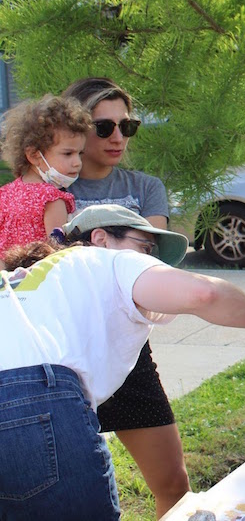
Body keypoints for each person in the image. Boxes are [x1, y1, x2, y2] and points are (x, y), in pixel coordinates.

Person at [0, 205, 245, 520]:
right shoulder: (103, 260)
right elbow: (204, 294)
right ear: (101, 238)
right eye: (145, 248)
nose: (152, 261)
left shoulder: (30, 279)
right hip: (31, 399)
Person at [61, 77, 185, 517]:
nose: (117, 137)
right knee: (80, 499)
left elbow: (148, 272)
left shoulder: (146, 187)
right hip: (61, 359)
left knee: (174, 484)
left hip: (128, 349)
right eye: (103, 127)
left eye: (126, 127)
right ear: (75, 127)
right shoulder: (49, 192)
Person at [0, 95, 92, 255]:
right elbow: (58, 254)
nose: (77, 162)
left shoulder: (4, 194)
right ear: (34, 155)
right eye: (68, 153)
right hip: (39, 277)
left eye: (80, 153)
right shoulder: (52, 199)